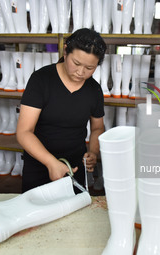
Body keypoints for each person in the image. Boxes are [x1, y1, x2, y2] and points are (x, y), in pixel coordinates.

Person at [16, 28, 107, 193]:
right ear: (65, 51)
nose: (80, 72)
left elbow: (97, 127)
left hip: (75, 167)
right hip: (39, 164)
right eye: (76, 63)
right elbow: (24, 132)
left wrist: (93, 152)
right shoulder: (41, 80)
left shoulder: (94, 90)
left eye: (89, 68)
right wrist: (51, 163)